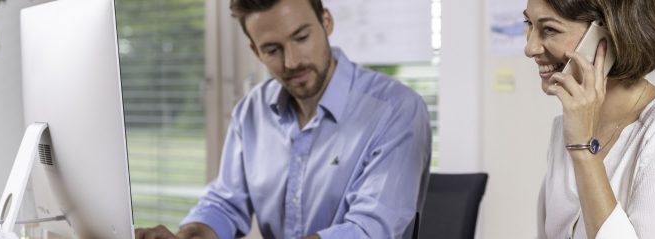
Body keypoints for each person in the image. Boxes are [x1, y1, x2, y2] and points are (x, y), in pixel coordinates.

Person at [134, 0, 432, 238]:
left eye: (301, 37)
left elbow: (370, 231)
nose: (292, 61)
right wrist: (187, 236)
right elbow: (224, 204)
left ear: (326, 22)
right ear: (255, 51)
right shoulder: (251, 112)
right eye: (272, 49)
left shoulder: (395, 110)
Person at [523, 0, 655, 238]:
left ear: (607, 33)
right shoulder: (567, 127)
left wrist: (583, 149)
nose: (530, 47)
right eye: (528, 23)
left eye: (549, 29)